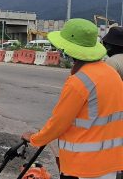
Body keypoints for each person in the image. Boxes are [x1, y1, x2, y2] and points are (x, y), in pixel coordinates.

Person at [21, 19, 123, 179]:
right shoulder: (112, 75)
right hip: (110, 165)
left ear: (68, 49)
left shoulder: (79, 81)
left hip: (82, 167)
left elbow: (59, 123)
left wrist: (34, 139)